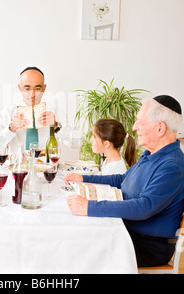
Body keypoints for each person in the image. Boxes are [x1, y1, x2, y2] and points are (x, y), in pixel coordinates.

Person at [65, 95, 184, 267]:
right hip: (129, 232)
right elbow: (122, 179)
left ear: (160, 128)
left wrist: (89, 207)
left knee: (79, 249)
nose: (134, 128)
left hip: (147, 246)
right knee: (75, 237)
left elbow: (144, 206)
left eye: (140, 122)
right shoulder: (151, 154)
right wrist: (83, 178)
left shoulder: (172, 166)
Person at [0, 66, 61, 154]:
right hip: (17, 166)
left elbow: (75, 143)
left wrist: (56, 127)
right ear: (20, 88)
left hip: (48, 166)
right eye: (27, 88)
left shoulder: (55, 111)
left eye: (37, 88)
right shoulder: (8, 113)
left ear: (44, 88)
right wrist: (11, 128)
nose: (32, 94)